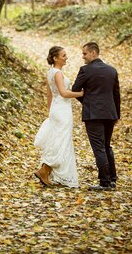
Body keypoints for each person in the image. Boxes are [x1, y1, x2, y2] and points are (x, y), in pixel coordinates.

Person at [72, 42, 121, 191]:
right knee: (106, 146)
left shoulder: (85, 70)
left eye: (85, 53)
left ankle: (104, 183)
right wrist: (117, 114)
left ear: (94, 53)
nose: (83, 57)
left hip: (93, 114)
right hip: (110, 113)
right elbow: (116, 95)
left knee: (99, 148)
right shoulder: (112, 71)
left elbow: (75, 90)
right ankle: (112, 179)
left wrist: (87, 102)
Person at [34, 46, 83, 188]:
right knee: (61, 141)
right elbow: (64, 93)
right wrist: (81, 94)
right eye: (63, 55)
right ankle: (44, 170)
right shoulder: (58, 73)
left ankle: (45, 171)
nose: (66, 57)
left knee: (56, 140)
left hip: (56, 109)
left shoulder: (50, 72)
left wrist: (51, 111)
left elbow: (50, 95)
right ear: (55, 58)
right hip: (62, 110)